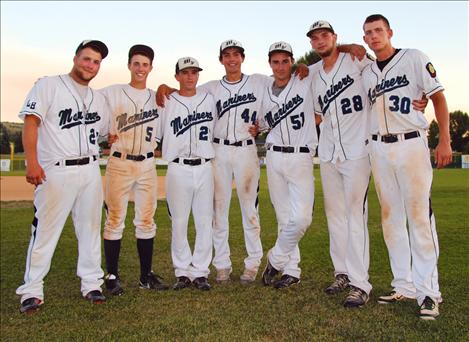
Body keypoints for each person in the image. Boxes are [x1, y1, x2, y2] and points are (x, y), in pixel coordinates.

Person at [157, 40, 272, 285]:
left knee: (250, 211)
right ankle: (222, 265)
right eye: (227, 55)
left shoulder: (259, 82)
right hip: (218, 150)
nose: (232, 59)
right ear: (221, 60)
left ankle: (252, 264)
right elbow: (183, 93)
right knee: (218, 211)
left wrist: (260, 127)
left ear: (243, 58)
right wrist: (164, 86)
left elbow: (284, 84)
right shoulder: (210, 89)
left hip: (246, 150)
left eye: (236, 55)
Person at [361, 14, 452, 320]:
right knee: (391, 220)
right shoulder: (368, 71)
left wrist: (445, 141)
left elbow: (438, 97)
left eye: (378, 31)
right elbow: (348, 51)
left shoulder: (413, 58)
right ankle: (404, 284)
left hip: (411, 143)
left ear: (389, 32)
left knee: (419, 218)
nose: (373, 36)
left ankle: (429, 292)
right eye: (368, 33)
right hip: (379, 147)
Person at [16, 40, 111, 313]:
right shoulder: (48, 85)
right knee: (45, 231)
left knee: (91, 229)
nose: (91, 65)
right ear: (75, 58)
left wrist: (111, 137)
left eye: (96, 62)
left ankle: (92, 282)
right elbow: (31, 122)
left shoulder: (97, 98)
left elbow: (104, 131)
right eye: (87, 59)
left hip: (91, 169)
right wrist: (31, 162)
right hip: (56, 170)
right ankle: (32, 289)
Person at [308, 20, 373, 307]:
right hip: (329, 151)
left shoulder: (356, 59)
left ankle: (361, 284)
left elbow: (380, 68)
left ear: (335, 37)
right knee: (335, 216)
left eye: (325, 36)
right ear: (311, 44)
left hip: (357, 150)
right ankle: (342, 273)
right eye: (315, 38)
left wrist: (349, 47)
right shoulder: (311, 73)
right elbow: (315, 112)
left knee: (356, 217)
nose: (320, 41)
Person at [99, 44, 168, 296]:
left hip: (148, 164)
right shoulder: (112, 92)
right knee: (115, 219)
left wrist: (167, 88)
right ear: (129, 65)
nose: (140, 68)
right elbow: (88, 102)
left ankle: (145, 276)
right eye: (136, 63)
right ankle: (112, 275)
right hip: (120, 161)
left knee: (147, 219)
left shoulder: (158, 97)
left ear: (151, 68)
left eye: (145, 64)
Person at [259, 41, 318, 289]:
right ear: (269, 64)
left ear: (292, 61)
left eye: (285, 61)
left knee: (302, 218)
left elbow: (329, 59)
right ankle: (291, 270)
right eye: (276, 61)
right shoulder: (263, 89)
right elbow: (261, 123)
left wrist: (305, 65)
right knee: (284, 217)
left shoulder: (305, 78)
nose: (280, 66)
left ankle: (275, 259)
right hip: (273, 157)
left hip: (301, 155)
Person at [156, 57, 216, 291]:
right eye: (185, 72)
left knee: (204, 222)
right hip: (177, 167)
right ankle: (182, 272)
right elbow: (158, 135)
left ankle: (200, 272)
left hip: (204, 167)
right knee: (179, 222)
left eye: (194, 72)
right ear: (177, 76)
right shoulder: (166, 102)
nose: (190, 76)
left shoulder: (209, 100)